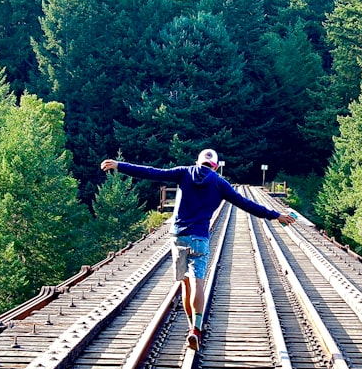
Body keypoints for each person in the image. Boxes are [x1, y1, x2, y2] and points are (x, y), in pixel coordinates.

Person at [100, 149, 295, 349]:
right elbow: (246, 204)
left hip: (178, 236)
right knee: (197, 283)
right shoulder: (220, 183)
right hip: (199, 237)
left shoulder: (184, 172)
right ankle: (196, 328)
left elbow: (152, 172)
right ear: (216, 166)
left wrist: (119, 165)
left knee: (185, 285)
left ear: (198, 161)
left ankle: (190, 326)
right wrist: (275, 215)